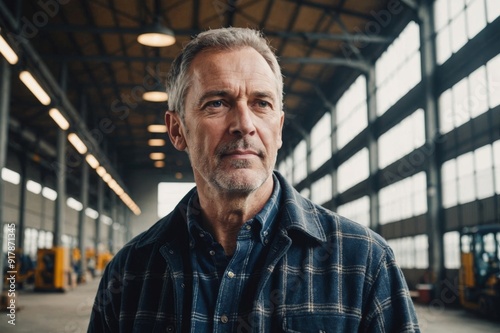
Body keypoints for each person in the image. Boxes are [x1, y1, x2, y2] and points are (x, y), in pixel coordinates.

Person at [88, 27, 420, 333]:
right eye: (217, 103)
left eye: (261, 104)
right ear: (177, 129)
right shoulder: (130, 271)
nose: (244, 124)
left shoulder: (364, 262)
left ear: (278, 128)